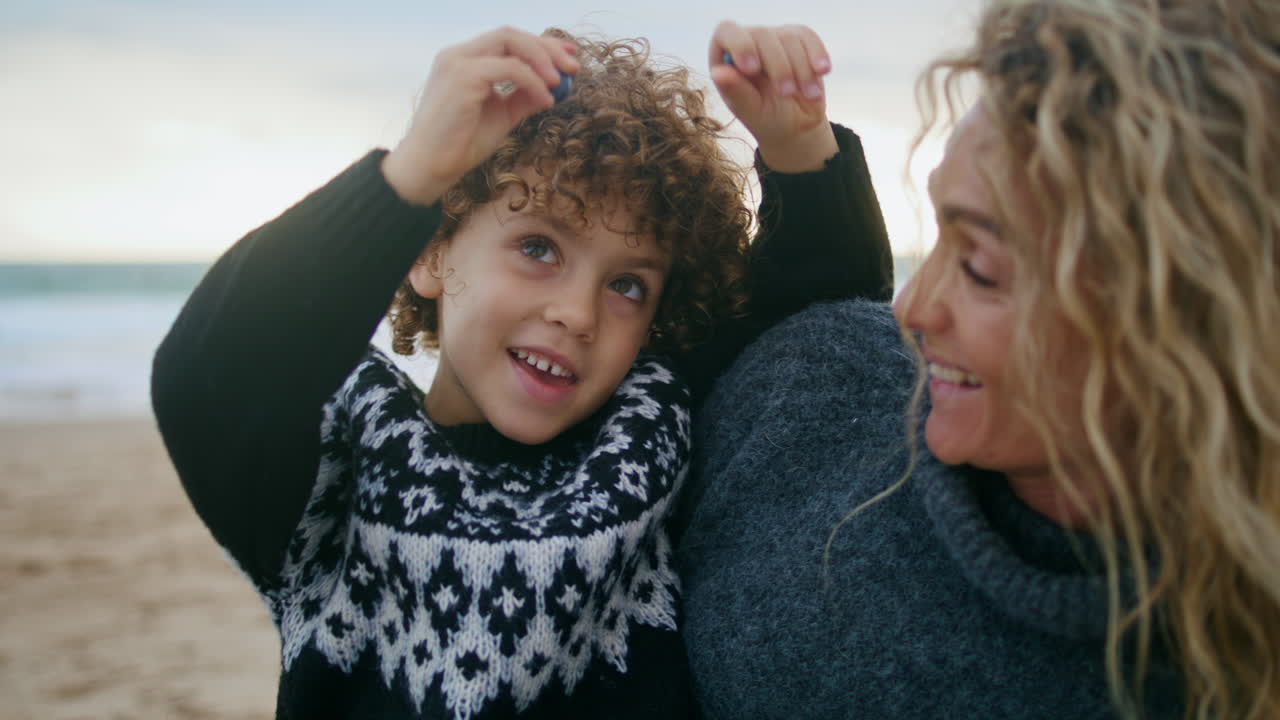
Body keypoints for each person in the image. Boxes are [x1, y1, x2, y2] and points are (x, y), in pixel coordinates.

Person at [152, 21, 891, 720]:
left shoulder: (653, 423)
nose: (577, 312)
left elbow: (823, 323)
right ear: (432, 252)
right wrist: (410, 173)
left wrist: (800, 146)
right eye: (538, 248)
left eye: (628, 284)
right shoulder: (338, 464)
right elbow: (208, 374)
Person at [677, 0, 1280, 717]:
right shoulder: (814, 375)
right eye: (939, 240)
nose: (912, 309)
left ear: (1188, 326)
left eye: (984, 270)